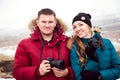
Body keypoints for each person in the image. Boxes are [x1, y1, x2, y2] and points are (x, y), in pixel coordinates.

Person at [13, 8, 74, 80]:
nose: (47, 25)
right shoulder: (24, 44)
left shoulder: (68, 42)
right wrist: (37, 71)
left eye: (50, 22)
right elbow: (17, 72)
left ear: (55, 23)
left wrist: (67, 72)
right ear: (38, 23)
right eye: (43, 22)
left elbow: (81, 68)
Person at [67, 12, 120, 80]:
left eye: (80, 25)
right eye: (74, 27)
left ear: (89, 26)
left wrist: (100, 75)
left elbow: (118, 69)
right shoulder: (75, 48)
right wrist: (92, 59)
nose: (77, 29)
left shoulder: (107, 43)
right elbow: (79, 77)